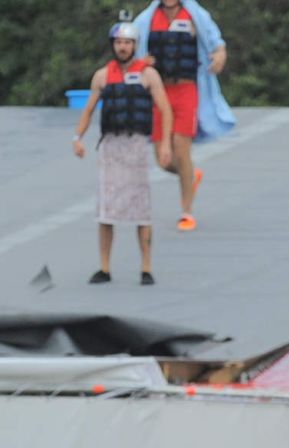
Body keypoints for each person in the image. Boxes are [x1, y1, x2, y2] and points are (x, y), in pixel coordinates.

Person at [73, 21, 175, 284]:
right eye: (119, 42)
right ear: (113, 45)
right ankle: (105, 268)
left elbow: (165, 109)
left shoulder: (148, 75)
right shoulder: (102, 76)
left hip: (137, 145)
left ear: (134, 45)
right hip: (111, 146)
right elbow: (88, 110)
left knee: (142, 208)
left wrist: (164, 144)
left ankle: (146, 268)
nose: (123, 47)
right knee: (106, 209)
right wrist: (78, 137)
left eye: (128, 43)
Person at [133, 0, 233, 231]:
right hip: (159, 91)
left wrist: (219, 57)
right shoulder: (147, 19)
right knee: (163, 160)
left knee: (180, 147)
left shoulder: (195, 14)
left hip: (186, 89)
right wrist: (142, 64)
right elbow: (133, 53)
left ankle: (187, 212)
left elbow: (217, 44)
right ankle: (190, 175)